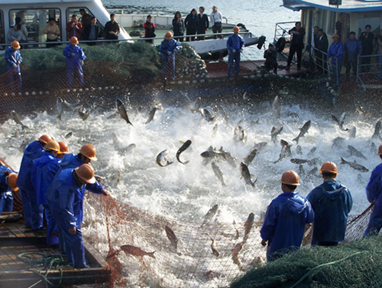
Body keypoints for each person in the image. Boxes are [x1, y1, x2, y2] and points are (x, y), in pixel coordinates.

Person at [46, 144, 108, 253]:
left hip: (56, 198)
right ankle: (70, 258)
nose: (89, 162)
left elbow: (87, 180)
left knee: (62, 227)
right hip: (64, 201)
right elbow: (66, 204)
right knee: (70, 230)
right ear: (83, 157)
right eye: (88, 159)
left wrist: (100, 189)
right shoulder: (74, 168)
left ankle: (62, 250)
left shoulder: (72, 162)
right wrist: (71, 224)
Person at [50, 164, 106, 268]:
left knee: (68, 236)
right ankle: (80, 265)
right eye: (85, 180)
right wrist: (71, 224)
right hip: (61, 211)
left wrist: (100, 189)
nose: (86, 182)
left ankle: (69, 258)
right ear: (80, 178)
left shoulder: (77, 174)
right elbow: (65, 207)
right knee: (76, 237)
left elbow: (88, 184)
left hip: (69, 208)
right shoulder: (67, 186)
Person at [260, 170, 314, 262]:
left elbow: (268, 225)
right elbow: (310, 218)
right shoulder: (305, 203)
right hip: (294, 247)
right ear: (296, 185)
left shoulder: (276, 203)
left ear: (283, 185)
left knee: (273, 272)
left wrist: (264, 238)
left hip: (276, 249)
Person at [307, 162, 353, 246]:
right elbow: (348, 208)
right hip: (338, 233)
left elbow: (308, 211)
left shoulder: (316, 192)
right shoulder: (345, 191)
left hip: (319, 235)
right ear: (335, 175)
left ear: (323, 175)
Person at [16, 134, 52, 230]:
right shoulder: (40, 154)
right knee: (36, 206)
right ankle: (37, 226)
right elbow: (47, 160)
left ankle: (28, 224)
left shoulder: (30, 147)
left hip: (22, 181)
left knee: (26, 205)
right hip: (31, 183)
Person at [31, 141, 61, 245]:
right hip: (51, 196)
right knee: (53, 220)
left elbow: (32, 179)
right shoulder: (53, 163)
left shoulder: (36, 162)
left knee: (49, 218)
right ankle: (52, 242)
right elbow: (59, 179)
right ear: (54, 151)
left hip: (40, 194)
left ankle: (51, 240)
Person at [364, 145, 382, 236]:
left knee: (371, 233)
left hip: (380, 206)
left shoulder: (379, 169)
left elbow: (371, 189)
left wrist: (372, 200)